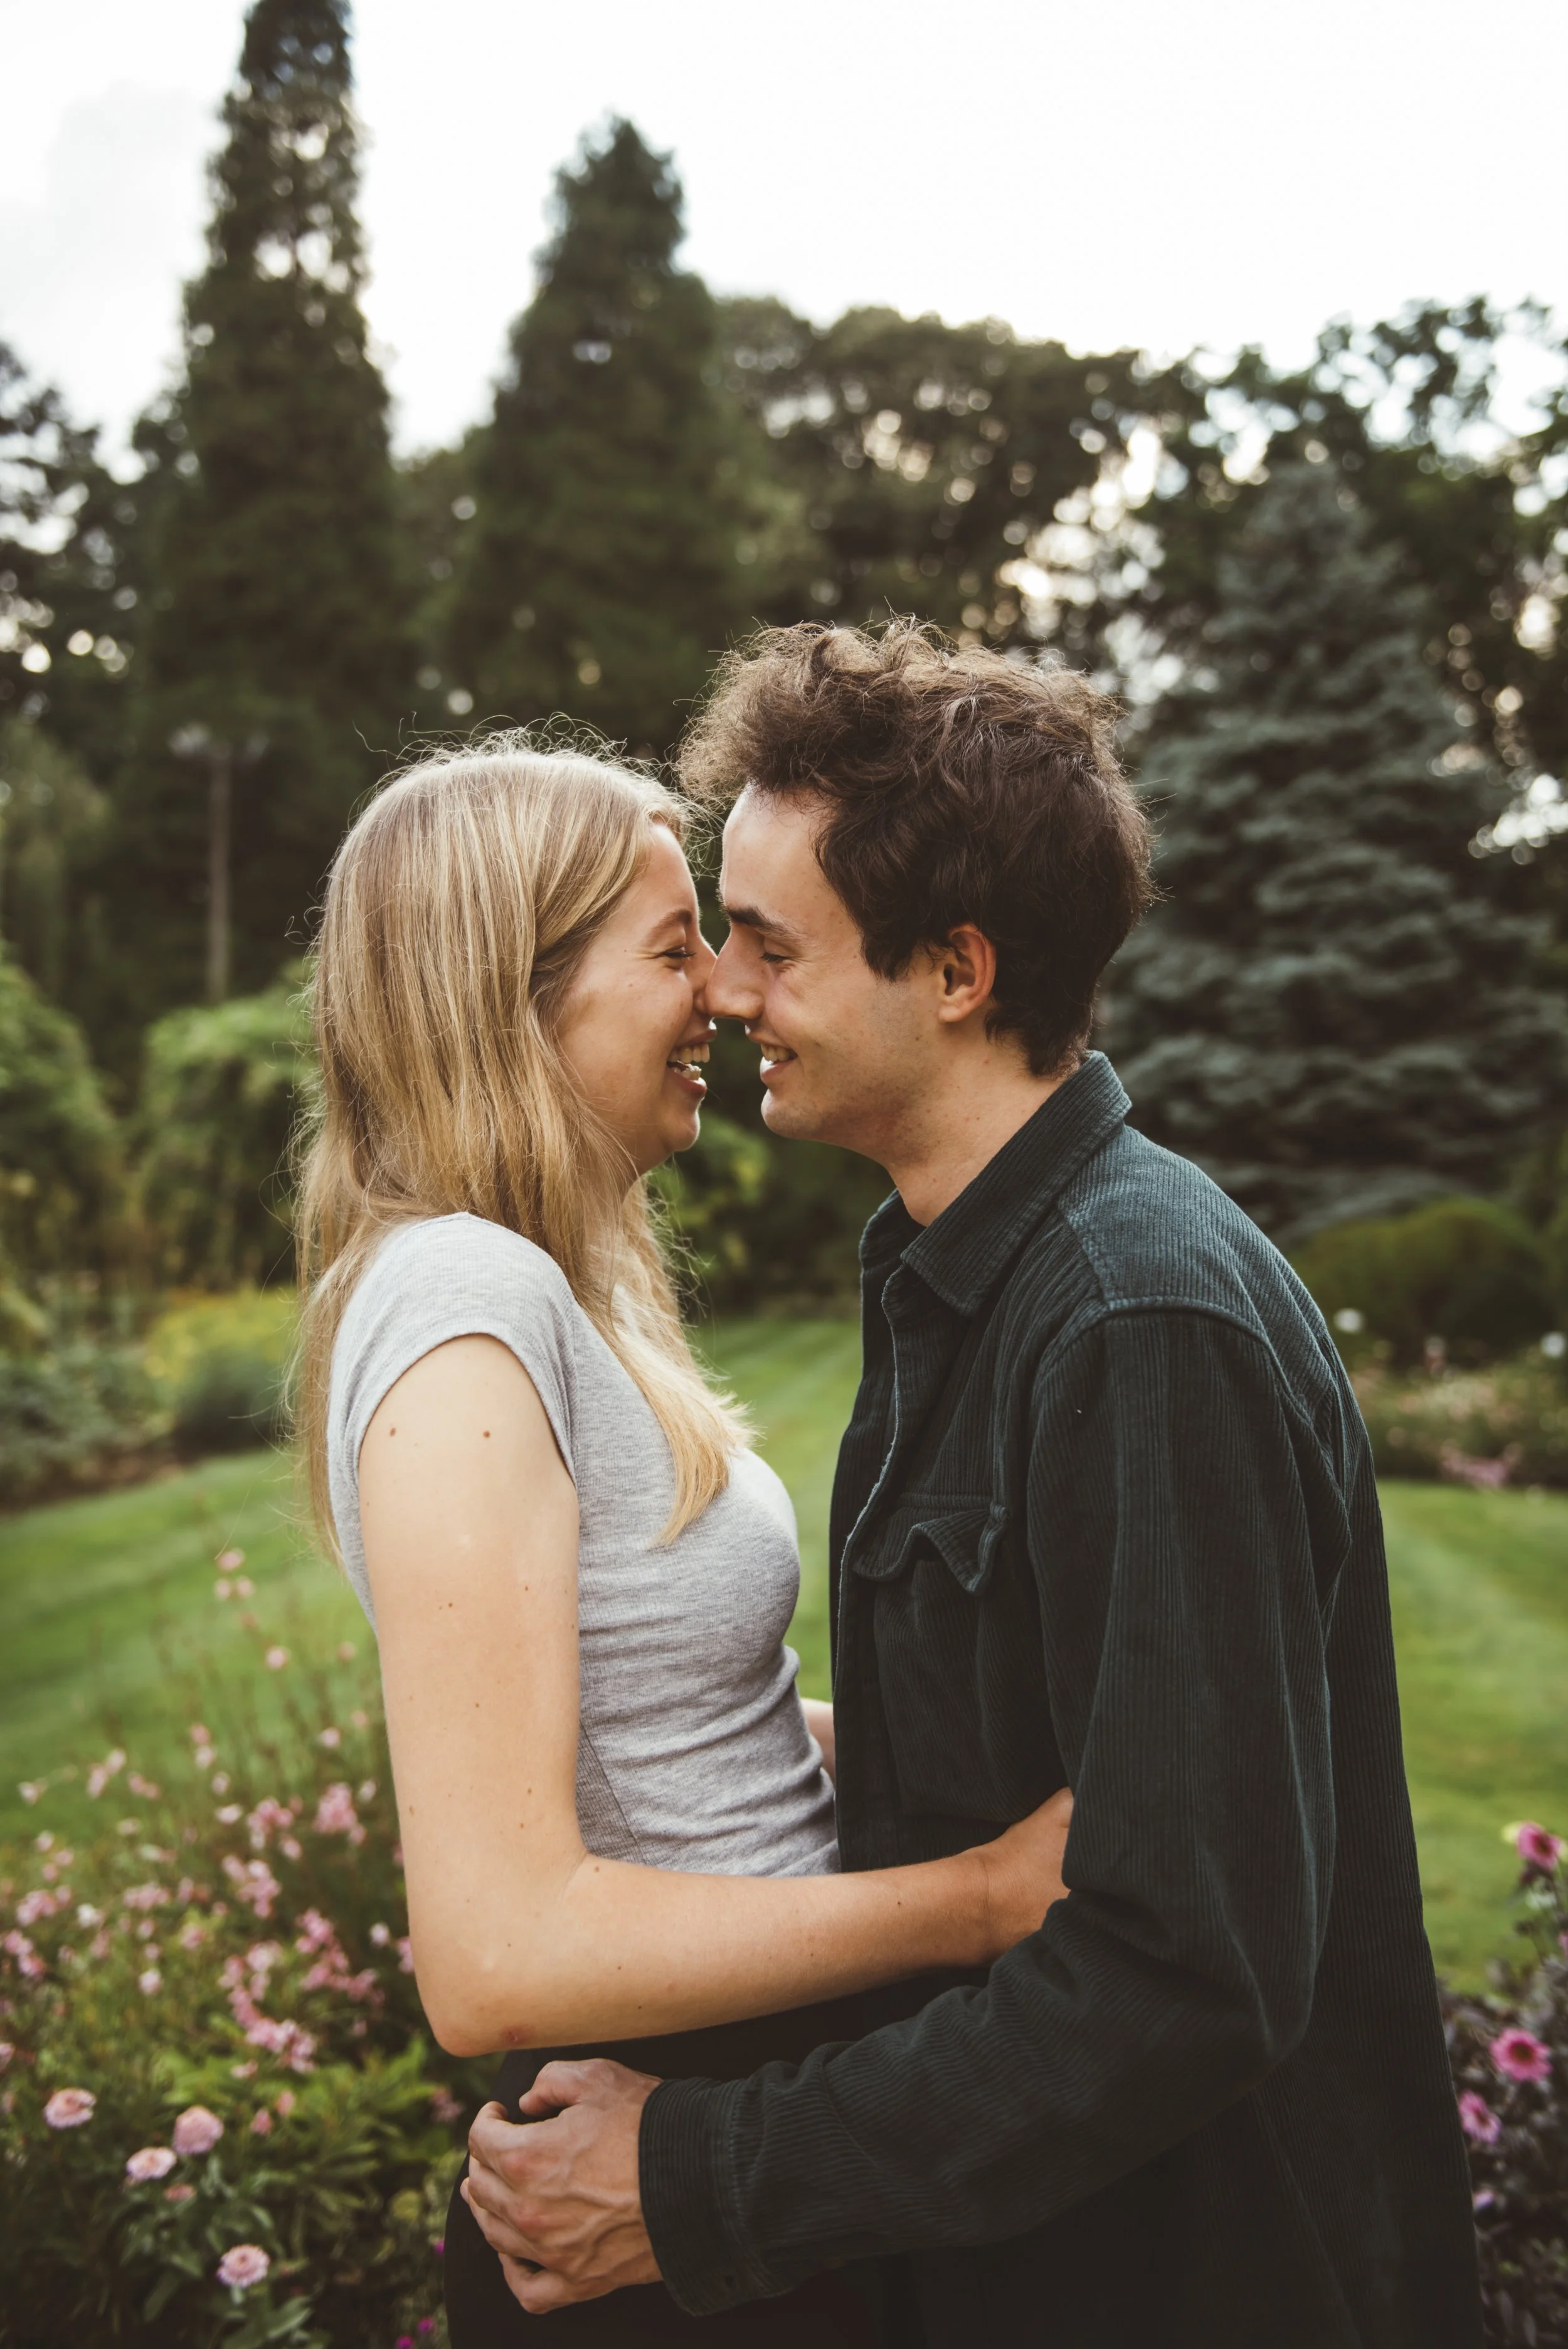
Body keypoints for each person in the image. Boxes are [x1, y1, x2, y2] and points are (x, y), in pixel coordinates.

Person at [461, 625, 1484, 2346]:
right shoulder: (965, 1273)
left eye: (772, 947)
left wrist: (700, 2181)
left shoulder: (1133, 1319)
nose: (719, 988)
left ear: (953, 968)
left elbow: (1175, 1966)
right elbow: (1055, 1751)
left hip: (1187, 2281)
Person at [292, 736, 1074, 2346]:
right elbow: (496, 1952)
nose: (724, 990)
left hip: (747, 2113)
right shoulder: (461, 1302)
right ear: (509, 999)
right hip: (659, 2157)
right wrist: (986, 1891)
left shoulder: (541, 1283)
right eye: (672, 950)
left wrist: (950, 1761)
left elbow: (656, 1718)